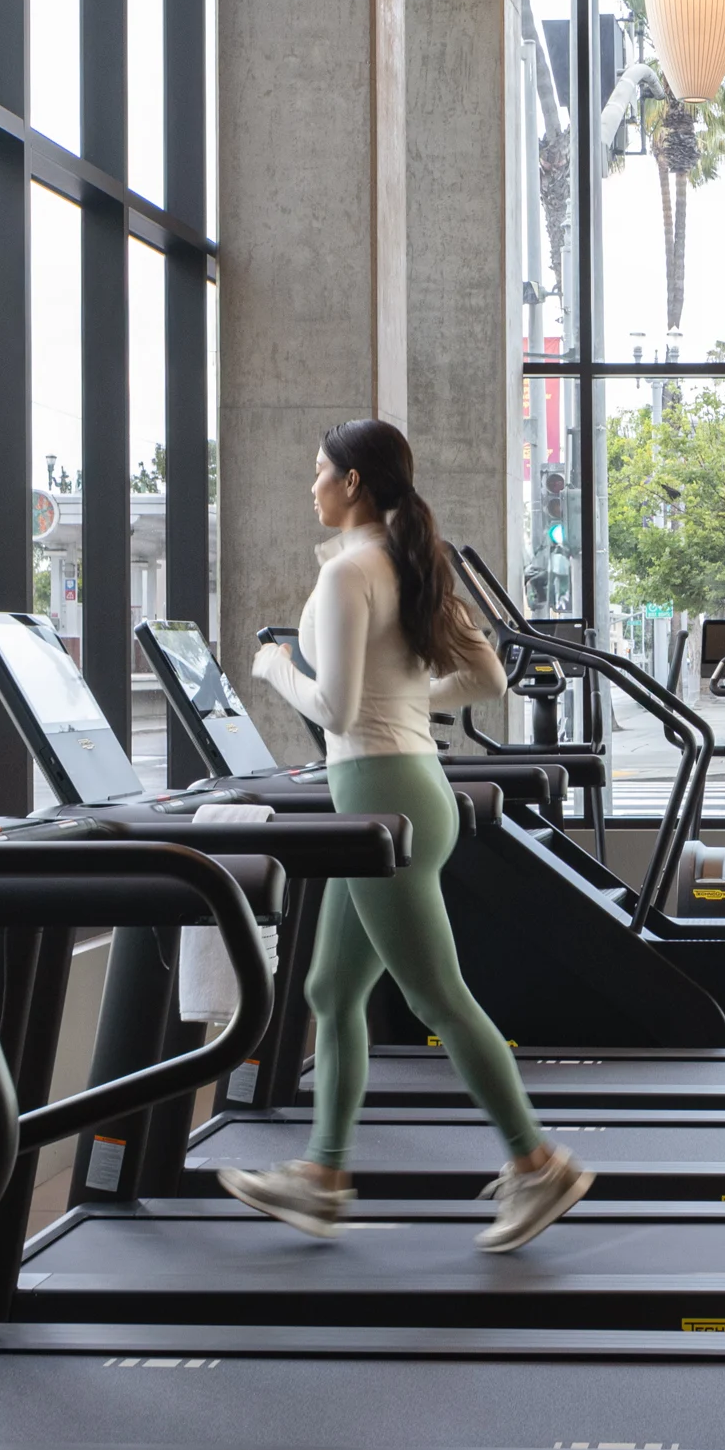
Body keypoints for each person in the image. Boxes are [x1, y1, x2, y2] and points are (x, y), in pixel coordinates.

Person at [219, 418, 594, 1252]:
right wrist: (405, 696)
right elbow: (489, 677)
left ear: (353, 481)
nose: (309, 486)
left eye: (318, 472)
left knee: (436, 996)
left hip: (378, 790)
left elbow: (339, 711)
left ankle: (538, 1164)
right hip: (407, 787)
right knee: (331, 990)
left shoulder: (351, 571)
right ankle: (321, 1177)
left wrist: (276, 665)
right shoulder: (410, 558)